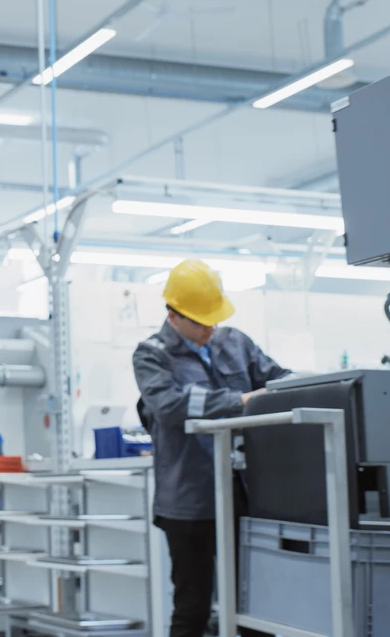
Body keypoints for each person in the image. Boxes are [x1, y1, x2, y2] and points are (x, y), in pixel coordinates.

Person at [132, 259, 289, 637]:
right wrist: (241, 400)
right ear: (173, 316)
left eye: (214, 319)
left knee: (255, 603)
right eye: (201, 322)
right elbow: (171, 405)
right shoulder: (151, 355)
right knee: (193, 606)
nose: (210, 328)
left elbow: (278, 380)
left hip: (244, 494)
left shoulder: (236, 343)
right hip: (188, 500)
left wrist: (300, 387)